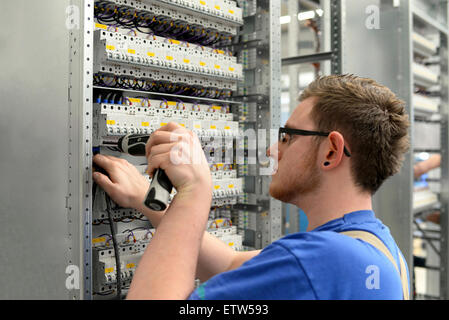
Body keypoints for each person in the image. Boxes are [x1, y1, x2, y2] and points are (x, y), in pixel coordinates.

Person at [93, 74, 411, 300]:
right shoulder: (377, 249)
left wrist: (195, 190)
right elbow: (229, 266)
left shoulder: (324, 258)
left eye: (287, 136)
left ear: (331, 151)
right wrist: (147, 199)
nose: (273, 150)